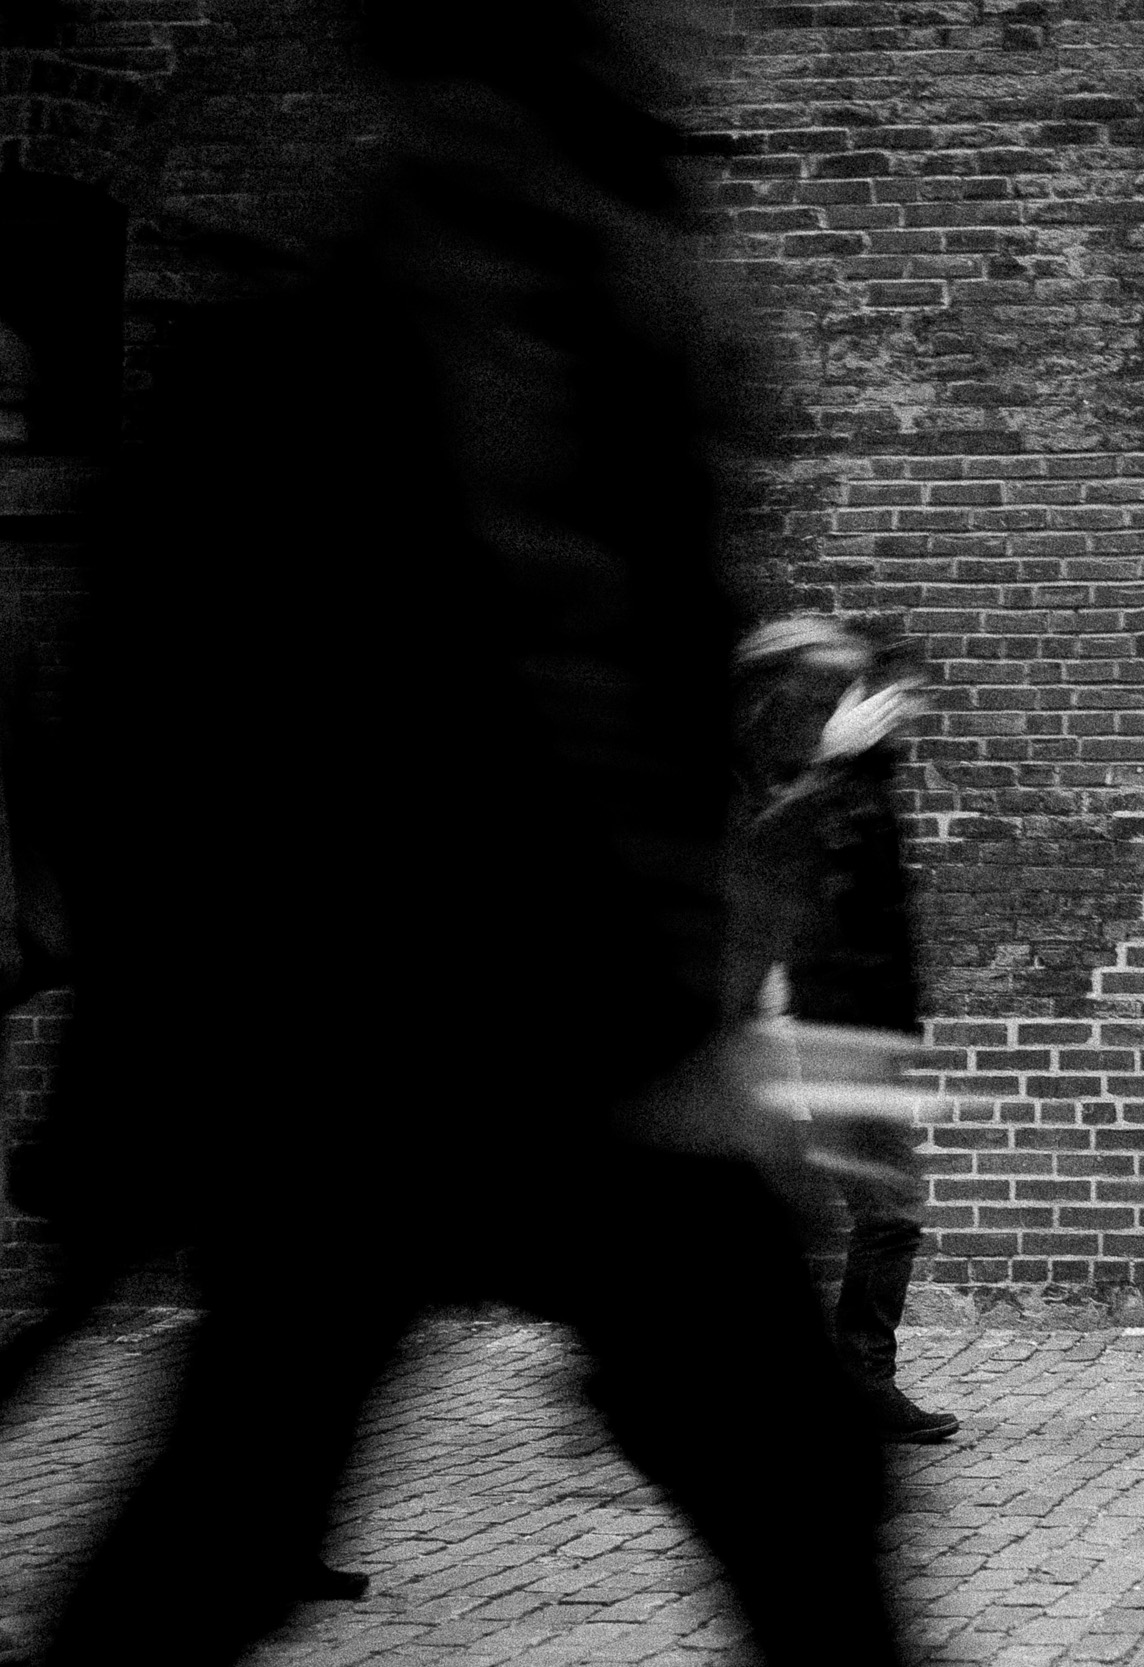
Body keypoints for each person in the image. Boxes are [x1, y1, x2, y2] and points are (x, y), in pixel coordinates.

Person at [12, 6, 911, 1663]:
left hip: (387, 1036)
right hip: (491, 1019)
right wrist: (665, 1012)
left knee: (234, 1495)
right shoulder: (507, 255)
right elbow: (545, 643)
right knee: (789, 1479)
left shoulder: (486, 242)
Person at [725, 613, 958, 1444]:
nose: (906, 710)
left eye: (910, 698)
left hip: (861, 1030)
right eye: (893, 696)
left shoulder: (859, 782)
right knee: (880, 1210)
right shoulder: (801, 785)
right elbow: (757, 878)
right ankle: (850, 1385)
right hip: (818, 1030)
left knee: (847, 1210)